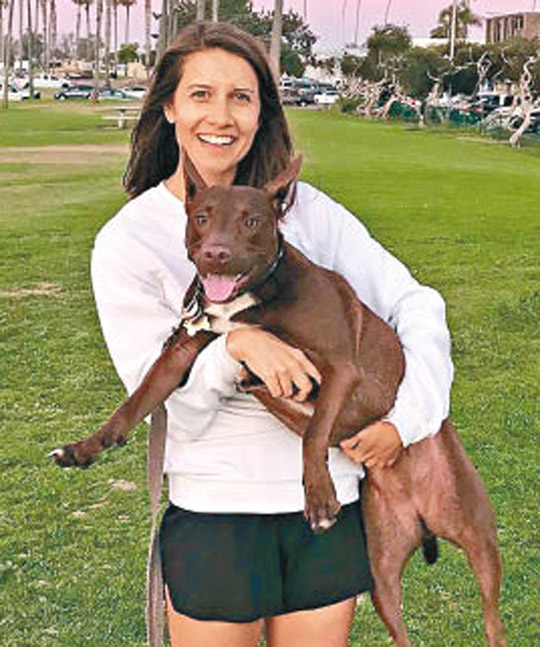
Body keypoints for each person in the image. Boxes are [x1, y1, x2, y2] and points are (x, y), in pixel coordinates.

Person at [91, 21, 453, 647]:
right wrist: (236, 346)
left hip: (326, 508)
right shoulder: (130, 240)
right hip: (217, 515)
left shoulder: (309, 213)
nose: (221, 116)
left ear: (261, 113)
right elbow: (173, 404)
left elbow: (415, 303)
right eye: (201, 94)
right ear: (169, 107)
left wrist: (409, 419)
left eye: (241, 96)